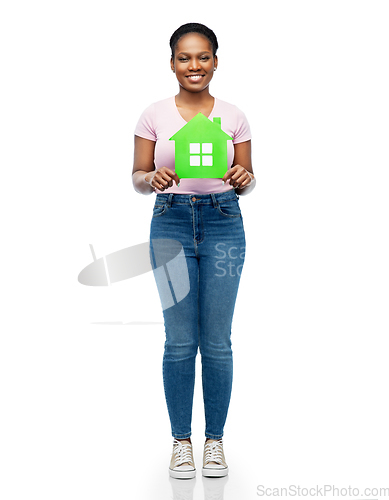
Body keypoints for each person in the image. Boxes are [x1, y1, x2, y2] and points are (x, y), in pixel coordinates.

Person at [132, 22, 256, 479]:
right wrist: (152, 179)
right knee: (180, 340)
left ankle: (215, 442)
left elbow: (247, 176)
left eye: (203, 57)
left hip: (224, 224)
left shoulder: (235, 115)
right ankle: (181, 442)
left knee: (217, 341)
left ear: (215, 61)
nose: (194, 66)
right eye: (184, 58)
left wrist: (244, 179)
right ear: (172, 64)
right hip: (171, 225)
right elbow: (138, 176)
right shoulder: (153, 115)